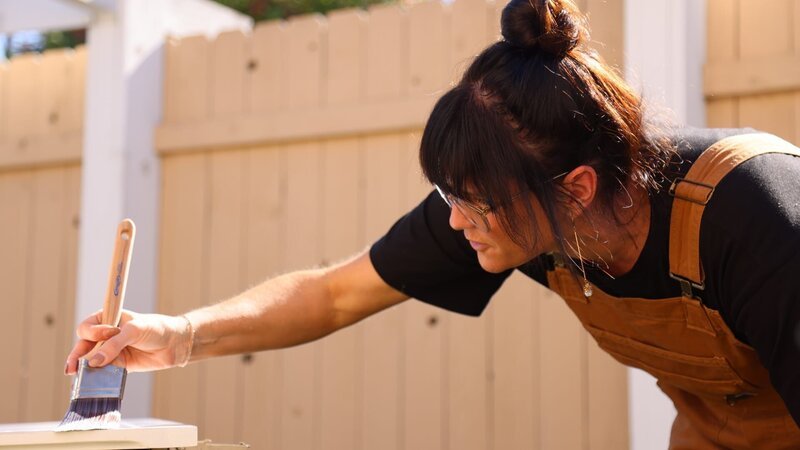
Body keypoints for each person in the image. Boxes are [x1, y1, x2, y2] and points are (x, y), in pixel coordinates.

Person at [66, 0, 800, 447]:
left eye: (473, 202)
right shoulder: (524, 212)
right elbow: (333, 294)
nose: (456, 221)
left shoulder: (755, 216)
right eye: (449, 194)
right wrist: (177, 335)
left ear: (575, 190)